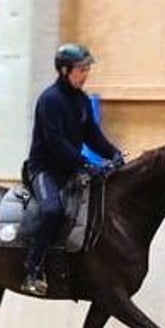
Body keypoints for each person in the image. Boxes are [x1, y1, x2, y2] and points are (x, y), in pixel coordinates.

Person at [21, 43, 125, 296]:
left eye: (87, 68)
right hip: (45, 171)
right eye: (81, 69)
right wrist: (87, 164)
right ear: (65, 70)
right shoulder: (49, 100)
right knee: (52, 210)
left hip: (71, 171)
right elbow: (56, 144)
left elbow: (93, 136)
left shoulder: (81, 100)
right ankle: (32, 270)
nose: (86, 73)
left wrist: (113, 154)